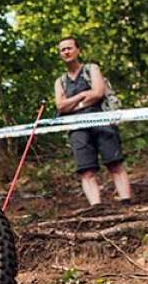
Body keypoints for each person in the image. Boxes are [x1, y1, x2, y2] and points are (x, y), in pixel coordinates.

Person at [54, 36, 132, 207]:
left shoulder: (91, 69)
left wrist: (72, 103)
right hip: (77, 128)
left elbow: (97, 92)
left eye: (69, 48)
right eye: (62, 50)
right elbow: (60, 106)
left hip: (101, 120)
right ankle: (96, 207)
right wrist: (82, 95)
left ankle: (126, 203)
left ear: (78, 50)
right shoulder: (60, 81)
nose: (66, 52)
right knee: (86, 170)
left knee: (114, 162)